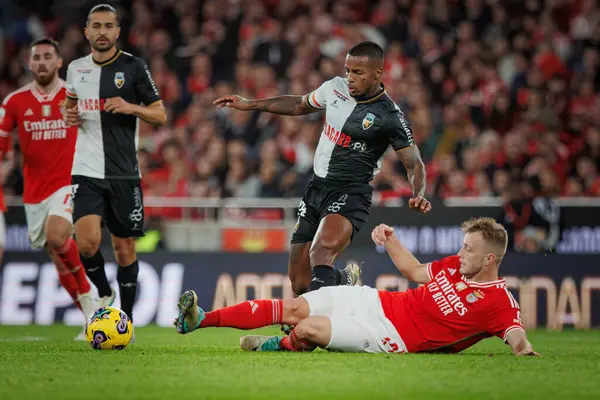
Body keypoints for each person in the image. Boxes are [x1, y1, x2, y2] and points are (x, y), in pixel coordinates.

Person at [214, 41, 432, 303]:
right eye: (348, 70)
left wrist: (418, 192)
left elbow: (414, 162)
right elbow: (298, 105)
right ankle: (343, 279)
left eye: (358, 73)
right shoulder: (335, 88)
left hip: (351, 192)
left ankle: (311, 329)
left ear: (378, 73)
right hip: (316, 188)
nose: (350, 78)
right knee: (300, 280)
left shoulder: (389, 116)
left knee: (320, 254)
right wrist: (250, 105)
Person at [174, 217, 539, 356]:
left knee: (308, 328)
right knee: (294, 307)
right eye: (462, 245)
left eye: (469, 249)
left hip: (387, 337)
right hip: (376, 301)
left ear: (489, 260)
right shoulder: (455, 267)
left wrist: (523, 350)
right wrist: (389, 239)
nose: (460, 253)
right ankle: (200, 319)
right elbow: (413, 270)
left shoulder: (498, 302)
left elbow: (515, 334)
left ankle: (282, 344)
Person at [63, 4, 166, 330]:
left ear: (118, 31)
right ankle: (104, 292)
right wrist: (69, 114)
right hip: (86, 169)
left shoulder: (134, 67)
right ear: (87, 31)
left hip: (124, 172)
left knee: (124, 249)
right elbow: (70, 104)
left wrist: (130, 107)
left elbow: (160, 114)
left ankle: (128, 320)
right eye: (97, 25)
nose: (103, 31)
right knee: (87, 243)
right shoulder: (76, 68)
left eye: (109, 25)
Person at [0, 38, 96, 339]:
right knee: (57, 254)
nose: (41, 62)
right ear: (30, 64)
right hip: (34, 192)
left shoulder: (75, 94)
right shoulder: (14, 102)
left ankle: (95, 304)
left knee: (57, 236)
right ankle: (89, 314)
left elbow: (96, 132)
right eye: (36, 57)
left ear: (59, 62)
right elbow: (3, 148)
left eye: (47, 57)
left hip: (69, 182)